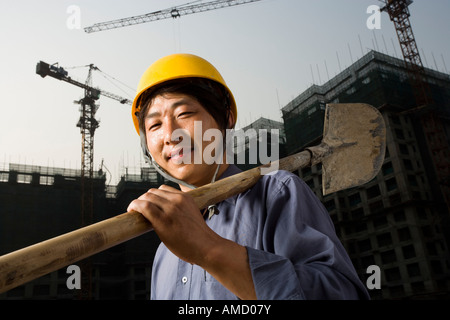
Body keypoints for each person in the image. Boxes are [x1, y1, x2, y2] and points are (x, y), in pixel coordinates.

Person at [127, 53, 370, 300]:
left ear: (227, 118)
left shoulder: (277, 193)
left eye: (185, 114)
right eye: (154, 125)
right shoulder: (164, 254)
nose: (170, 135)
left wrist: (208, 248)